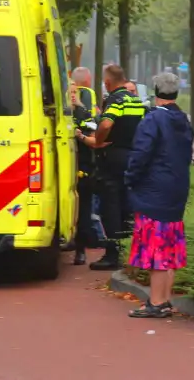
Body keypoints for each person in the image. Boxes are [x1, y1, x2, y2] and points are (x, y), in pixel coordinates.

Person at [125, 72, 192, 318]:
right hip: (177, 189)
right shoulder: (183, 119)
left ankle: (155, 302)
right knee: (170, 246)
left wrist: (130, 178)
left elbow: (140, 154)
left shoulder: (152, 120)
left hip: (153, 190)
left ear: (155, 91)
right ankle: (165, 299)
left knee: (155, 249)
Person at [78, 64, 144, 270]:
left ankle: (112, 255)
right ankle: (128, 252)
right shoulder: (136, 99)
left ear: (107, 83)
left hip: (112, 158)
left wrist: (96, 141)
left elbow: (105, 125)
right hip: (132, 157)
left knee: (111, 207)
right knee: (127, 207)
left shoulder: (115, 99)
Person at [70, 82, 100, 265]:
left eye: (75, 92)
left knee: (83, 210)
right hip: (64, 169)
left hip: (83, 168)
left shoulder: (85, 114)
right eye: (69, 92)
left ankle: (80, 250)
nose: (73, 95)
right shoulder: (59, 115)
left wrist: (79, 136)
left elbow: (95, 140)